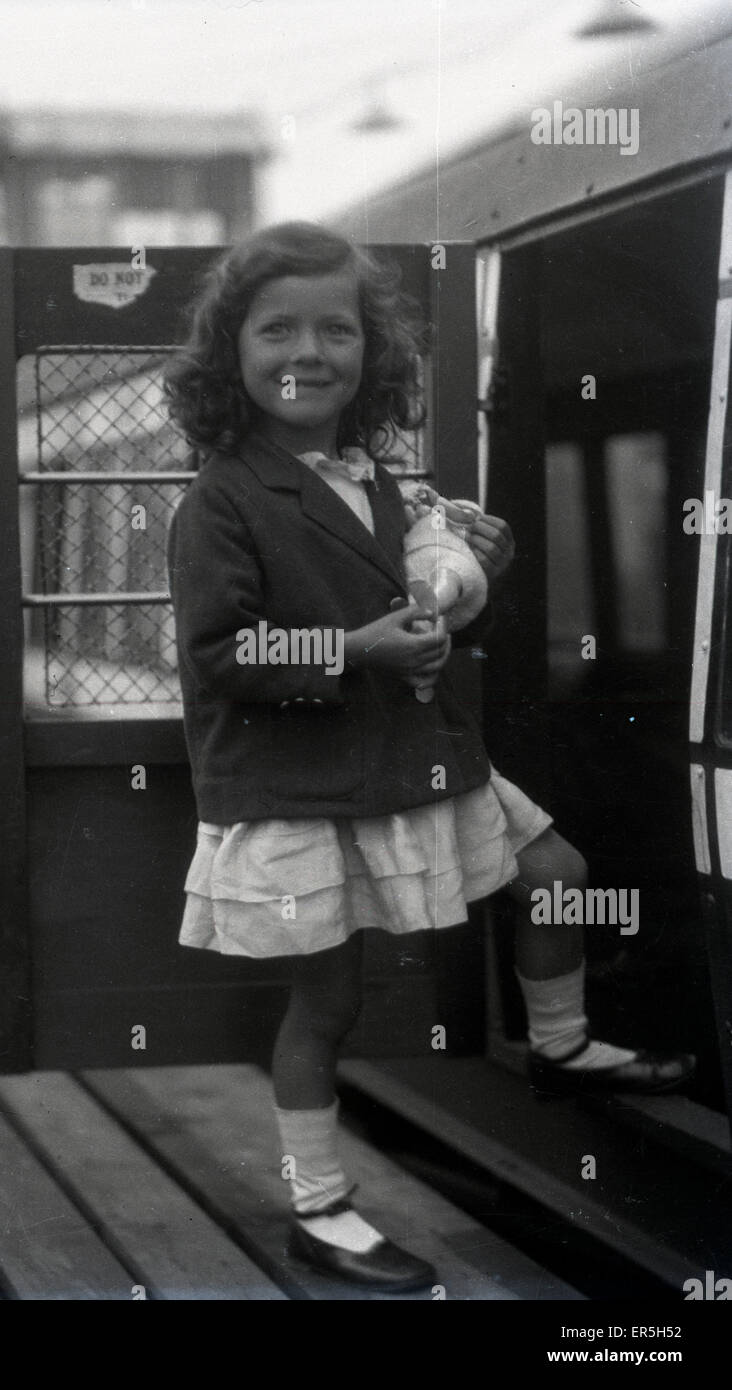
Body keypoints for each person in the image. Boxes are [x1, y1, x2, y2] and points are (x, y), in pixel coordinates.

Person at [164, 221, 695, 1294]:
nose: (306, 351)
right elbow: (217, 656)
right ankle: (318, 1211)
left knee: (557, 878)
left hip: (412, 758)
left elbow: (440, 626)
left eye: (335, 328)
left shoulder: (387, 482)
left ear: (371, 352)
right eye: (277, 329)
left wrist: (470, 585)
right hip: (307, 788)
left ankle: (557, 1041)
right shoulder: (218, 499)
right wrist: (352, 648)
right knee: (326, 1005)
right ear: (232, 354)